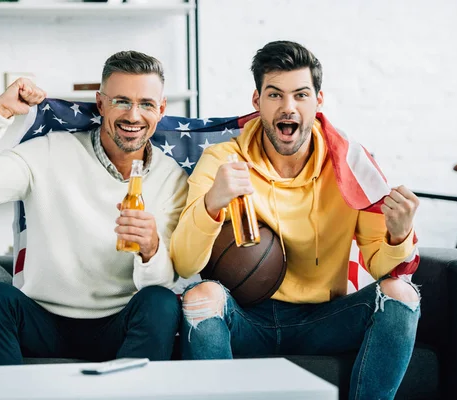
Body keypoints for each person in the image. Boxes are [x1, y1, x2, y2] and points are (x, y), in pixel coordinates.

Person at [170, 41, 420, 400]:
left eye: (300, 95)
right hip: (247, 318)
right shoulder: (223, 161)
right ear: (257, 102)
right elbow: (184, 263)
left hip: (323, 318)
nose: (288, 107)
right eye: (275, 95)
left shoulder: (350, 163)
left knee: (401, 294)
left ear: (318, 101)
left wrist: (399, 235)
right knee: (201, 297)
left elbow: (383, 268)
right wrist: (212, 203)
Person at [0, 51, 188, 365]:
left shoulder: (173, 179)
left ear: (161, 109)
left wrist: (151, 249)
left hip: (119, 325)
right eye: (121, 101)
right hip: (43, 321)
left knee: (161, 302)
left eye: (146, 104)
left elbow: (159, 286)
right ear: (101, 102)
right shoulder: (48, 153)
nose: (133, 116)